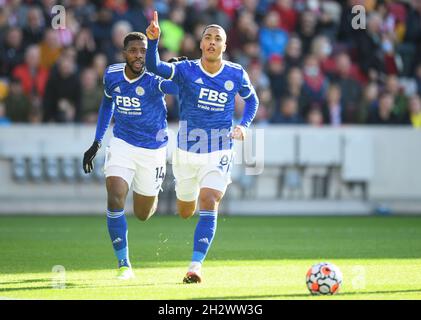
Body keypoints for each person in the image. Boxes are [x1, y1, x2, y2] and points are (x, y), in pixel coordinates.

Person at [146, 12, 259, 283]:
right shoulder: (186, 70)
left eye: (217, 39)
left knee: (209, 200)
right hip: (186, 151)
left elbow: (252, 101)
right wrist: (153, 42)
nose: (211, 42)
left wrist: (243, 125)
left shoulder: (235, 73)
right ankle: (189, 200)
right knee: (186, 211)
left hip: (220, 149)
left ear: (224, 46)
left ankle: (195, 265)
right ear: (200, 44)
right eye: (207, 37)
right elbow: (155, 67)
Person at [82, 32, 178, 280]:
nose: (138, 56)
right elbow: (107, 105)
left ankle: (151, 194)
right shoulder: (112, 74)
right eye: (133, 50)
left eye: (143, 51)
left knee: (143, 214)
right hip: (122, 143)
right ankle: (124, 264)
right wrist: (97, 141)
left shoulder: (155, 78)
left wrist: (178, 72)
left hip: (153, 150)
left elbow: (178, 88)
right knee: (115, 196)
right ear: (124, 53)